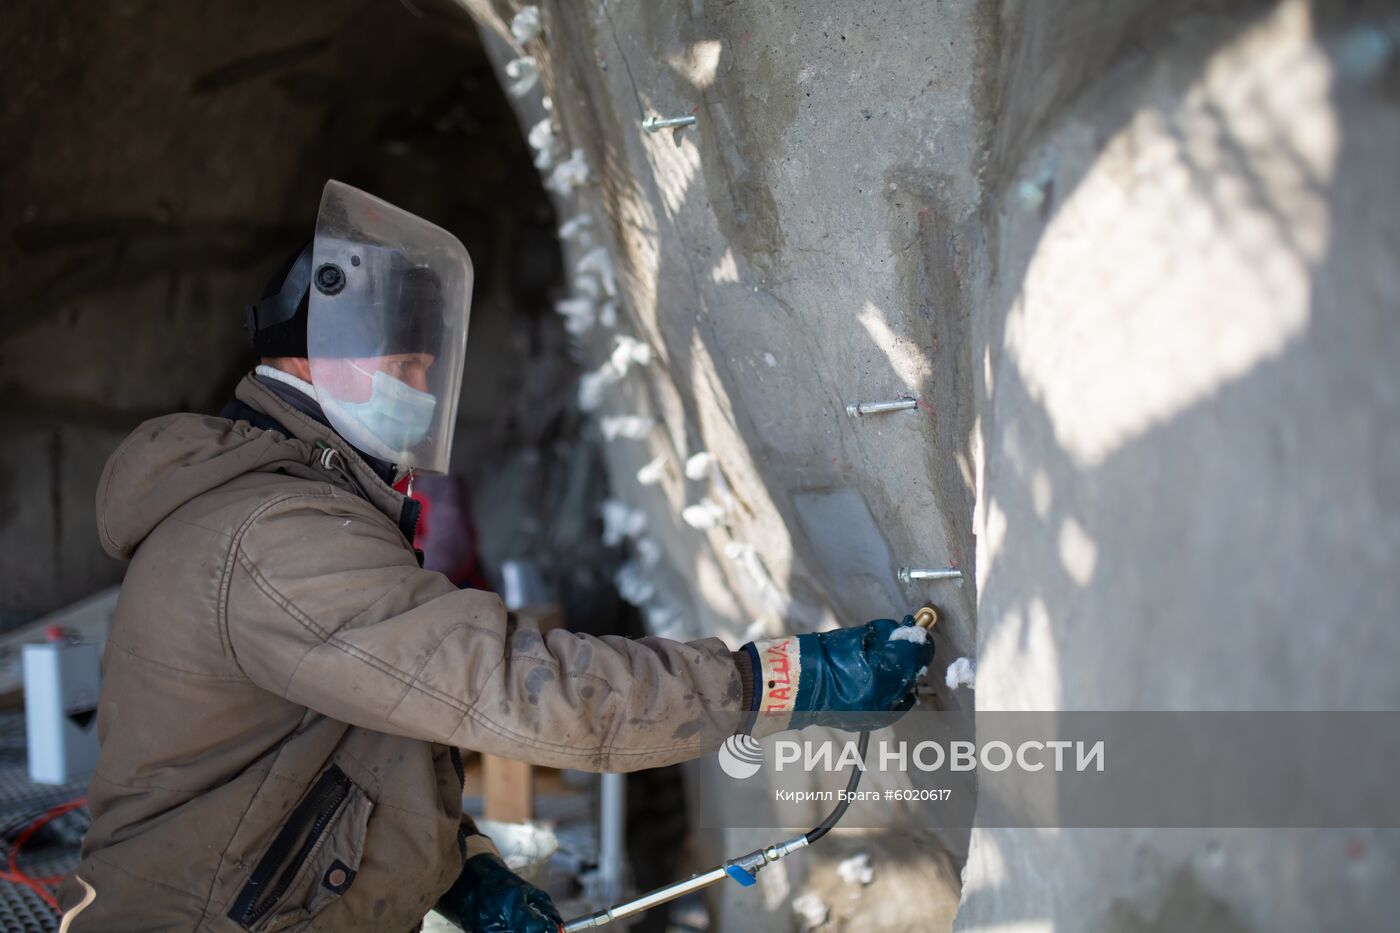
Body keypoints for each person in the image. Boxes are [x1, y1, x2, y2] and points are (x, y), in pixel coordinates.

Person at [58, 181, 933, 933]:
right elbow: (510, 688)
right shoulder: (275, 533)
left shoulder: (283, 508)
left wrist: (454, 865)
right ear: (312, 357)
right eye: (401, 364)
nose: (418, 390)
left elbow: (362, 732)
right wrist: (767, 680)